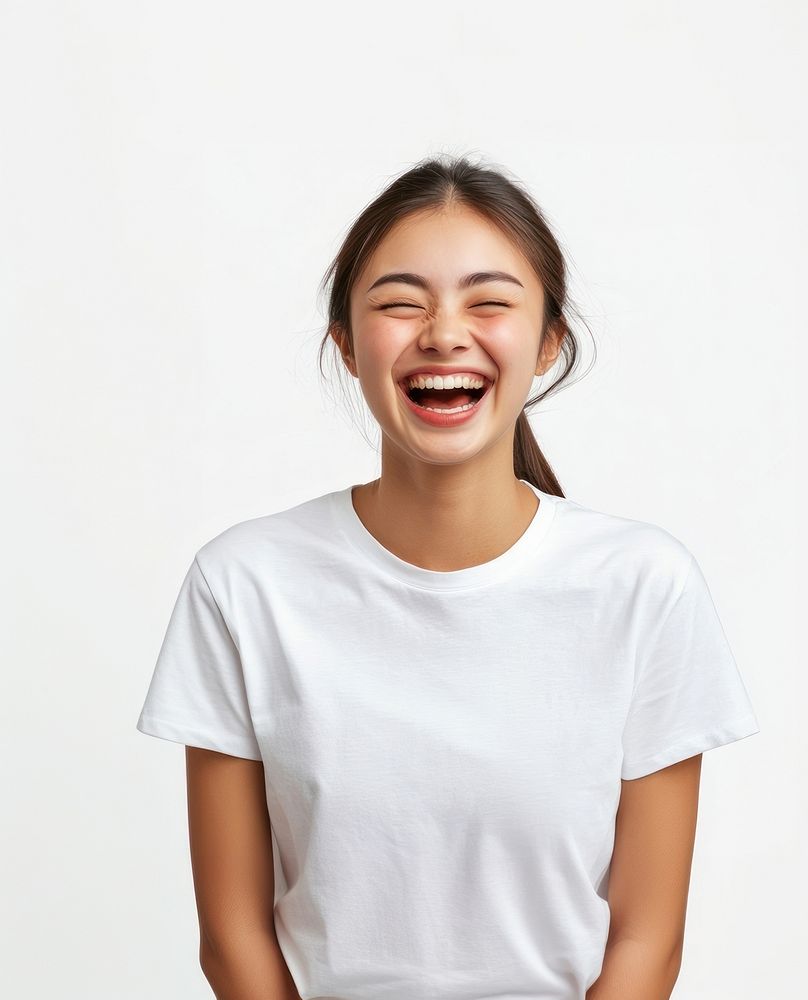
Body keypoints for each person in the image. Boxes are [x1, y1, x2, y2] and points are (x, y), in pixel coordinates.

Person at [135, 153, 761, 1000]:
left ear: (548, 343)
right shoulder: (244, 585)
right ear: (346, 346)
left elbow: (647, 943)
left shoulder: (643, 587)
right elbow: (234, 939)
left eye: (489, 301)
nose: (443, 332)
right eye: (400, 302)